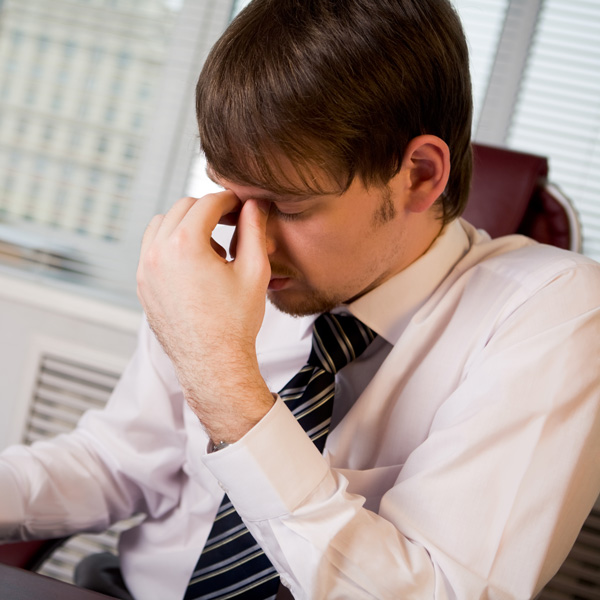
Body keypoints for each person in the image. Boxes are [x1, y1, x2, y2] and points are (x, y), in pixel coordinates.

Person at [1, 0, 599, 598]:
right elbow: (118, 462)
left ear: (418, 173)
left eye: (288, 207)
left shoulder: (555, 314)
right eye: (233, 200)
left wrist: (222, 377)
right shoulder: (217, 277)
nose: (249, 247)